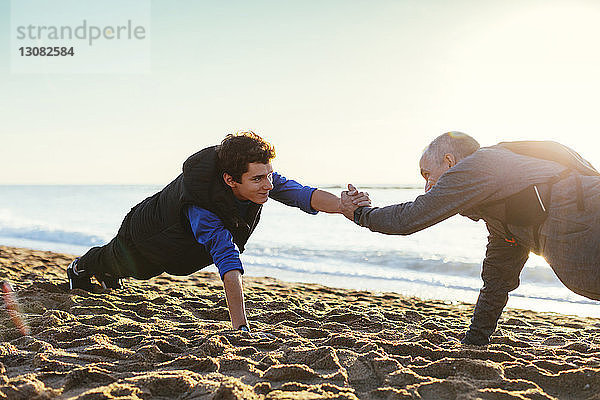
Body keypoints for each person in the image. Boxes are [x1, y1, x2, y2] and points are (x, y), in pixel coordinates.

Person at [67, 131, 370, 331]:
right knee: (127, 265)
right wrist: (241, 326)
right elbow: (227, 259)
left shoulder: (258, 177)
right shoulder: (203, 207)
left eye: (270, 175)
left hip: (177, 244)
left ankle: (107, 274)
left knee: (133, 271)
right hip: (146, 235)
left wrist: (343, 206)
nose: (268, 185)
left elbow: (301, 194)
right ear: (230, 180)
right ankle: (79, 268)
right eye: (258, 179)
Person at [341, 131, 600, 345]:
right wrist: (476, 339)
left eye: (427, 174)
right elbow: (498, 278)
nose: (427, 187)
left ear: (450, 162)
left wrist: (362, 214)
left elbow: (411, 217)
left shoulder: (479, 164)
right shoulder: (501, 216)